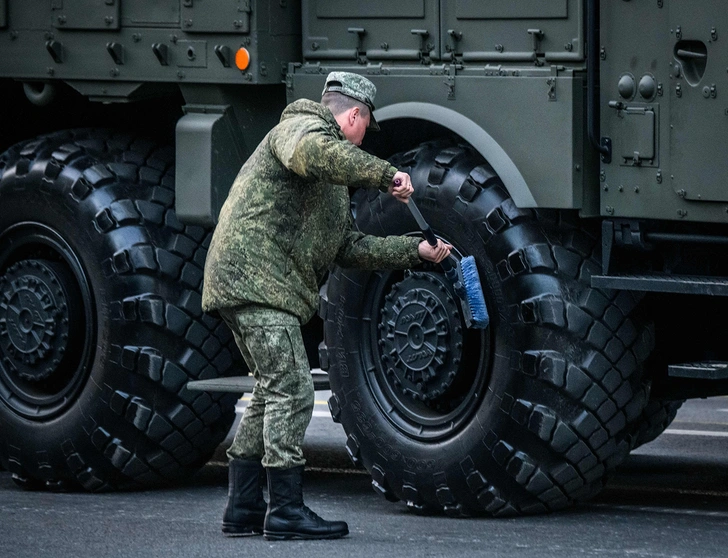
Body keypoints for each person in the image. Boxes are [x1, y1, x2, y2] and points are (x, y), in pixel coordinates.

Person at [201, 71, 452, 541]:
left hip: (253, 284)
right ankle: (286, 512)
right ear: (354, 115)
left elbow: (348, 249)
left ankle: (244, 507)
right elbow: (315, 153)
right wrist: (382, 175)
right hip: (254, 281)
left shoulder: (332, 181)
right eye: (364, 128)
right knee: (293, 388)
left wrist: (412, 251)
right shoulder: (300, 128)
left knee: (272, 390)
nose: (362, 138)